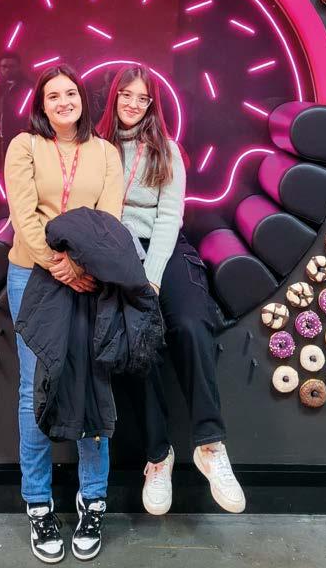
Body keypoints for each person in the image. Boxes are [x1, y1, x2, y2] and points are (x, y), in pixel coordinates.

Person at [96, 64, 246, 516]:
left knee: (191, 324)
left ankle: (210, 445)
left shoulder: (166, 149)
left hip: (164, 248)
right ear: (114, 97)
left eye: (142, 98)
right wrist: (125, 267)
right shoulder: (96, 148)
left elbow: (168, 218)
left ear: (152, 105)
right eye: (127, 95)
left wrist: (152, 277)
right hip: (117, 253)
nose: (133, 104)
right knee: (138, 340)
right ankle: (158, 457)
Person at [4, 63, 123, 563]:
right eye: (52, 95)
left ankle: (92, 499)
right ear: (41, 104)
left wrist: (81, 265)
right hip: (31, 275)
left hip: (90, 275)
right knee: (35, 389)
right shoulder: (24, 147)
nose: (63, 102)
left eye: (70, 93)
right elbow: (23, 213)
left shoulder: (106, 153)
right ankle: (38, 503)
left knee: (91, 383)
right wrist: (59, 265)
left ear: (82, 99)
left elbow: (108, 219)